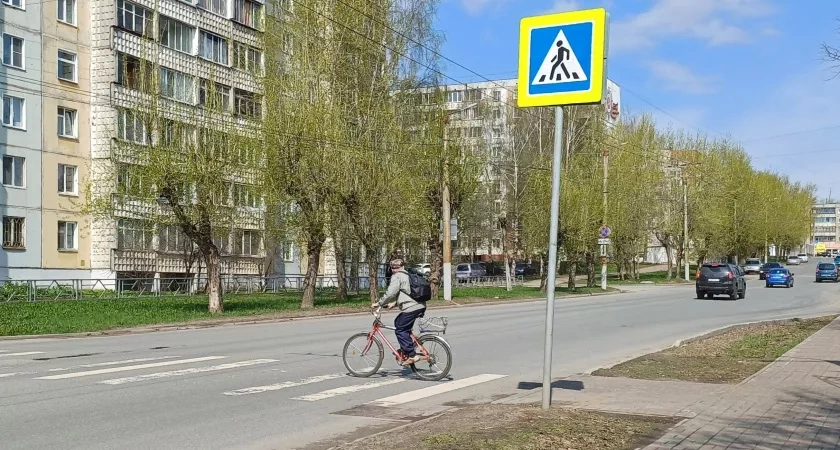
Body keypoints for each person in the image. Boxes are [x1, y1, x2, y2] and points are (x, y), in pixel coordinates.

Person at [373, 258, 426, 365]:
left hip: (412, 307)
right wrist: (395, 304)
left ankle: (412, 355)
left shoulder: (397, 276)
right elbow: (407, 293)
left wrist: (379, 303)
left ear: (392, 268)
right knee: (398, 322)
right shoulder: (407, 275)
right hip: (420, 305)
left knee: (400, 330)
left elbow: (390, 293)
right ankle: (406, 347)